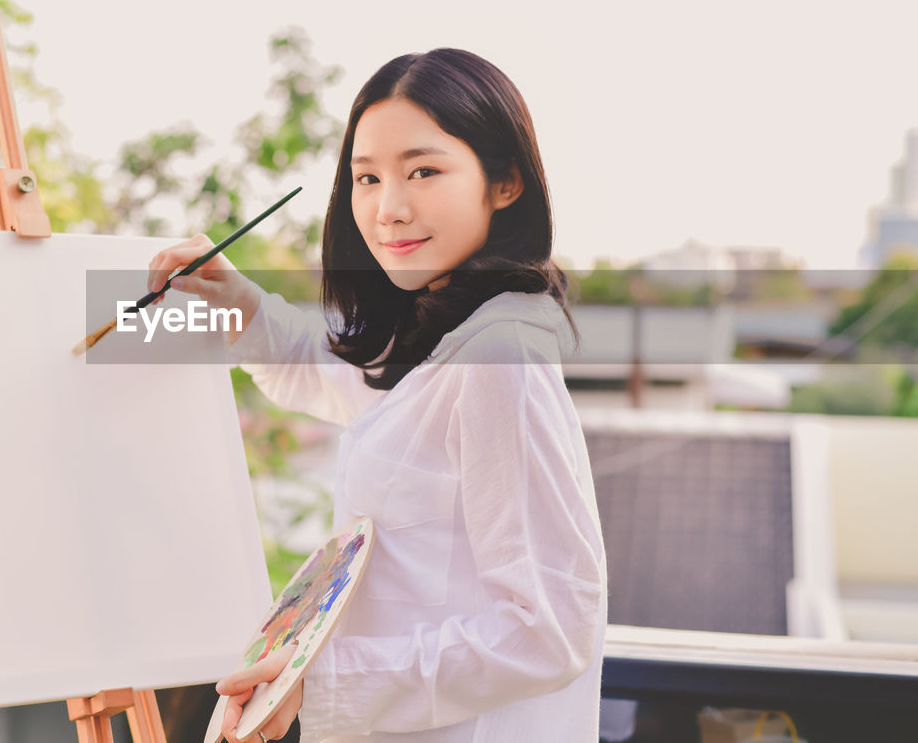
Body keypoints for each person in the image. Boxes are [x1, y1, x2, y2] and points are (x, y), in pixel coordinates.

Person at [146, 49, 608, 742]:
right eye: (366, 177)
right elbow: (348, 375)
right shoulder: (446, 330)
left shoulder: (497, 354)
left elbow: (553, 624)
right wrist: (239, 305)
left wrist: (323, 680)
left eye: (423, 170)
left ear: (505, 181)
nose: (388, 207)